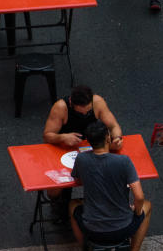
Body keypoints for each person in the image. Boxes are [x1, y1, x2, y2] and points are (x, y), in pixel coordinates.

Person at [69, 120, 152, 251]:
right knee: (147, 205)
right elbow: (139, 197)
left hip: (92, 228)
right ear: (108, 138)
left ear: (89, 141)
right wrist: (136, 212)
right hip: (123, 227)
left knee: (73, 204)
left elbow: (77, 178)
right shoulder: (124, 161)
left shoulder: (81, 159)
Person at [43, 85, 124, 221]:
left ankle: (101, 206)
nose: (85, 115)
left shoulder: (97, 102)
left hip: (91, 147)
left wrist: (117, 138)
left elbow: (113, 125)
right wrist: (62, 137)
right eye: (81, 113)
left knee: (107, 174)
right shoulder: (60, 108)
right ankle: (59, 206)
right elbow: (47, 135)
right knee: (53, 191)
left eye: (88, 112)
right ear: (71, 103)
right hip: (65, 149)